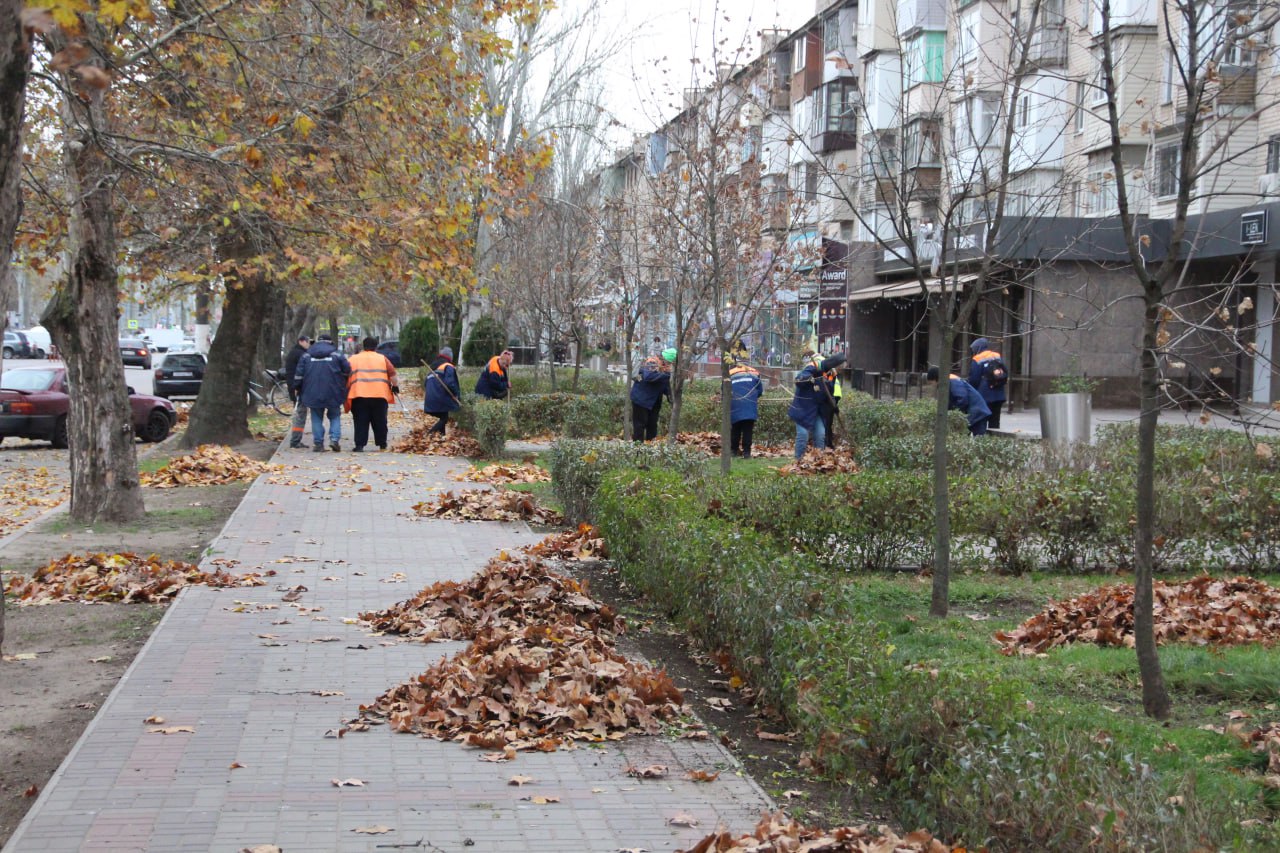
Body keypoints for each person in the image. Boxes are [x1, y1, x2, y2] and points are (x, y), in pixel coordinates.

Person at [295, 332, 351, 452]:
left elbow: (299, 374)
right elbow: (347, 370)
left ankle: (318, 443)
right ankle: (334, 439)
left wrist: (298, 388)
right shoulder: (337, 354)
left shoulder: (306, 355)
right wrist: (342, 381)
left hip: (312, 391)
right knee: (335, 415)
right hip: (334, 390)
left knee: (316, 417)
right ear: (330, 342)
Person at [788, 349, 846, 459]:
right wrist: (808, 379)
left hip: (817, 410)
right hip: (802, 407)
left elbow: (830, 393)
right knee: (803, 435)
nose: (841, 368)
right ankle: (798, 461)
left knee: (820, 435)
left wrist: (834, 405)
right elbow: (799, 380)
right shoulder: (813, 366)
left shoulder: (832, 374)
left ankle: (819, 461)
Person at [346, 336, 399, 452]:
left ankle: (359, 445)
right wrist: (395, 386)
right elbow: (393, 374)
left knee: (360, 421)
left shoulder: (353, 359)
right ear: (376, 347)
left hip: (359, 395)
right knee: (380, 420)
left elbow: (346, 375)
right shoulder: (382, 358)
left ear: (363, 346)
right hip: (379, 395)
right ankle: (382, 444)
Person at [927, 365, 992, 436]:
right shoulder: (949, 381)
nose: (932, 385)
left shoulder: (952, 381)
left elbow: (962, 399)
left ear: (936, 378)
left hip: (977, 414)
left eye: (931, 382)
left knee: (979, 440)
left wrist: (955, 414)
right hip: (974, 414)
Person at [630, 348, 675, 442]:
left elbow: (665, 385)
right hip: (641, 399)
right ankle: (637, 450)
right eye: (671, 362)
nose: (671, 365)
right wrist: (667, 375)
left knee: (652, 425)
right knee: (640, 426)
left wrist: (671, 397)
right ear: (666, 359)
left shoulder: (666, 368)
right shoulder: (652, 362)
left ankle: (650, 448)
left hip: (654, 401)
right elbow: (648, 376)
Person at [968, 337, 1009, 430]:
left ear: (977, 348)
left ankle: (984, 441)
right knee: (995, 422)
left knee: (982, 421)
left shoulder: (977, 359)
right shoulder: (997, 356)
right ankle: (994, 440)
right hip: (999, 395)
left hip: (985, 395)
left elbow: (974, 379)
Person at [728, 358, 764, 458]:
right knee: (747, 430)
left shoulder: (730, 373)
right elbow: (760, 391)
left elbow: (725, 391)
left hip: (735, 405)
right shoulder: (755, 373)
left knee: (735, 429)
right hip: (749, 406)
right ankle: (746, 453)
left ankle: (733, 451)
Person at [423, 346, 461, 434]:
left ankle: (441, 436)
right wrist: (456, 395)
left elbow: (425, 383)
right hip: (440, 398)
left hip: (429, 399)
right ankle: (429, 434)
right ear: (450, 357)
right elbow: (450, 383)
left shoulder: (433, 367)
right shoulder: (448, 366)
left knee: (443, 416)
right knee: (444, 418)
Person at [283, 335, 310, 448]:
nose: (308, 344)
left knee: (300, 413)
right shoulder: (300, 354)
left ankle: (296, 439)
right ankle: (295, 440)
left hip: (294, 386)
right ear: (301, 341)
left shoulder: (295, 352)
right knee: (300, 414)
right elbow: (302, 371)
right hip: (297, 388)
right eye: (307, 342)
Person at [818, 361, 843, 448]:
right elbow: (827, 391)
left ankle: (828, 443)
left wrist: (835, 404)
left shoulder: (833, 376)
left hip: (831, 403)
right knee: (826, 424)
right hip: (826, 404)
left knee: (828, 424)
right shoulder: (824, 375)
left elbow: (834, 391)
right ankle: (825, 445)